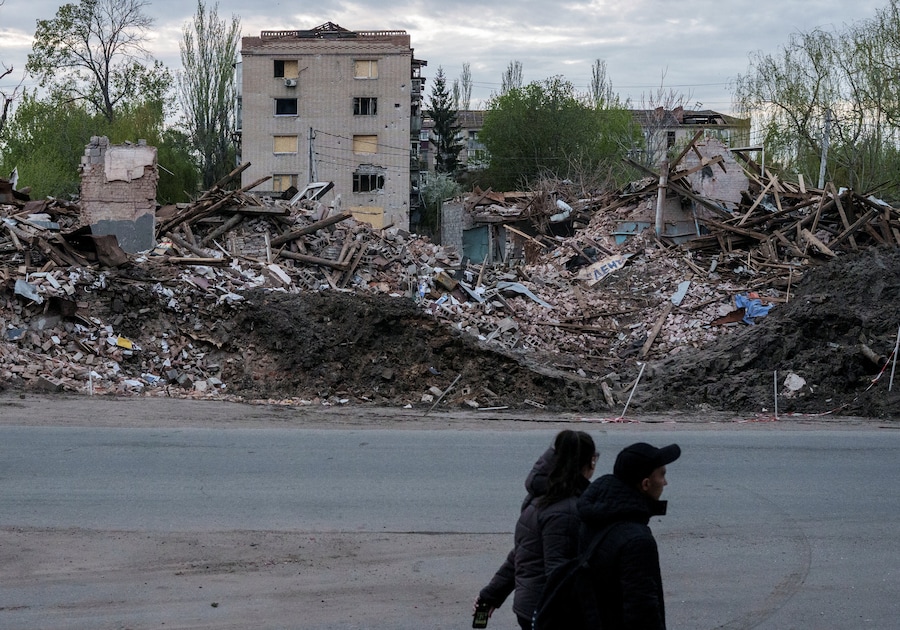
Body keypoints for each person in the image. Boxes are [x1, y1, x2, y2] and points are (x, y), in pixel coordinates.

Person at [474, 430, 598, 629]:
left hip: (530, 607)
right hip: (549, 614)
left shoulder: (540, 500)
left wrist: (491, 595)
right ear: (591, 461)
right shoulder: (566, 511)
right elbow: (559, 574)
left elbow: (522, 555)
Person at [576, 441, 681, 630]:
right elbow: (642, 612)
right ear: (646, 484)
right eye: (662, 475)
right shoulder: (637, 540)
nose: (665, 482)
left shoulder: (593, 515)